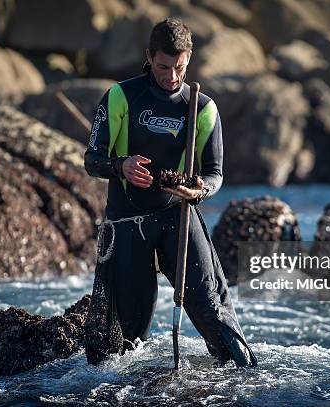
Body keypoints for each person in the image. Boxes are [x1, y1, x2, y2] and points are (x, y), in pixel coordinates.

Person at [84, 18, 257, 368]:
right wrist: (121, 166)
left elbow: (215, 173)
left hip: (177, 216)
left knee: (212, 310)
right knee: (128, 340)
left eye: (179, 67)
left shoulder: (202, 108)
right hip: (127, 222)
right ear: (149, 56)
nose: (172, 76)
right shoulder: (121, 97)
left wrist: (200, 189)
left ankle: (244, 381)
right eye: (163, 67)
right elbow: (92, 159)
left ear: (189, 58)